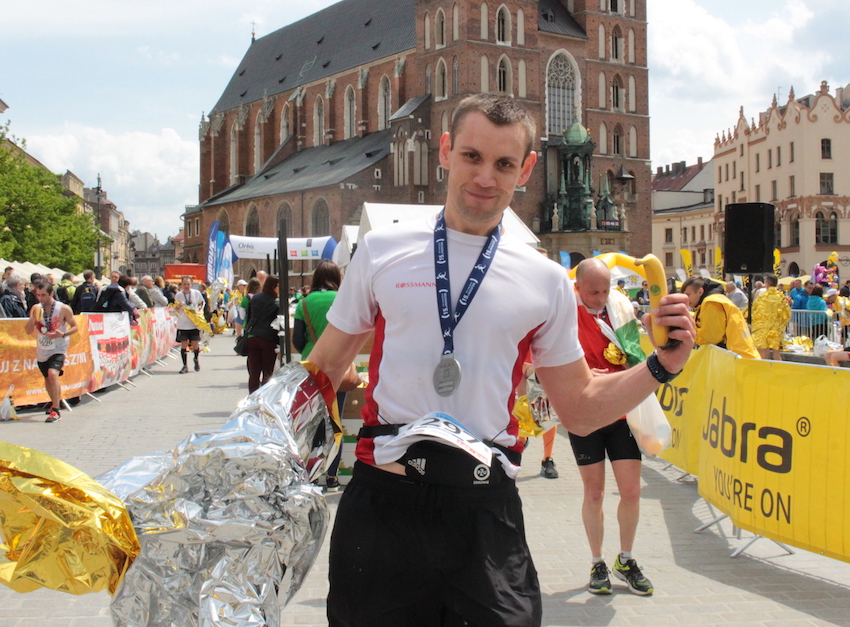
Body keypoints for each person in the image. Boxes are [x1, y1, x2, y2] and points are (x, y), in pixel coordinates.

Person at [307, 94, 695, 626]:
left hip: (484, 510)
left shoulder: (545, 279)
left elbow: (579, 408)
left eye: (504, 164)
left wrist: (661, 366)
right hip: (385, 506)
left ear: (526, 170)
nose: (485, 177)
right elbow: (325, 368)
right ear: (445, 151)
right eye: (472, 156)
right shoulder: (382, 250)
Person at [569, 258, 652, 595]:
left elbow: (636, 358)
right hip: (586, 415)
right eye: (593, 292)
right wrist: (588, 377)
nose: (601, 297)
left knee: (631, 491)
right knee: (594, 493)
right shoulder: (565, 313)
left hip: (621, 413)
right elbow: (553, 362)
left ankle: (626, 559)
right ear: (578, 287)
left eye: (605, 290)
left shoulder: (620, 309)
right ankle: (597, 562)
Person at [293, 260, 347, 489]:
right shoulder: (343, 299)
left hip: (311, 366)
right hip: (339, 365)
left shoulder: (304, 302)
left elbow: (297, 340)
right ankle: (332, 475)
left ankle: (313, 475)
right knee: (335, 421)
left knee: (312, 423)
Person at [24, 282, 78, 422]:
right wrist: (33, 319)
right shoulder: (36, 308)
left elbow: (75, 327)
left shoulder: (63, 308)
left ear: (51, 294)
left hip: (58, 348)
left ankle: (56, 410)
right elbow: (28, 331)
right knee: (47, 378)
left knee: (53, 374)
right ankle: (54, 403)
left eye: (43, 295)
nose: (40, 298)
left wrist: (63, 334)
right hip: (42, 349)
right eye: (38, 295)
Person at [682, 277, 759, 359]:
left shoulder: (711, 303)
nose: (686, 299)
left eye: (688, 294)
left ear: (700, 292)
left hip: (736, 359)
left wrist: (690, 329)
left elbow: (710, 339)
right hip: (740, 356)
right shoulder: (714, 301)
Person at [244, 275, 281, 393]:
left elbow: (249, 317)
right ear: (274, 287)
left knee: (254, 373)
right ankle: (265, 397)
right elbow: (279, 321)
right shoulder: (276, 302)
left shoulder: (255, 298)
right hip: (269, 339)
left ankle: (252, 397)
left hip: (253, 337)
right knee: (267, 372)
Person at [751, 275, 791, 360]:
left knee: (763, 350)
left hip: (762, 328)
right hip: (776, 328)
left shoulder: (762, 296)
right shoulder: (781, 296)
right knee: (776, 352)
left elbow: (755, 311)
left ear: (767, 283)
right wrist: (781, 326)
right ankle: (778, 367)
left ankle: (765, 367)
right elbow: (787, 313)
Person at [173, 276, 205, 374]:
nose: (186, 286)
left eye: (188, 284)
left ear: (191, 284)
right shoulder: (179, 295)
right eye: (184, 284)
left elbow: (201, 302)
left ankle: (196, 359)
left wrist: (198, 309)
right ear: (181, 284)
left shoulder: (196, 293)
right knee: (184, 344)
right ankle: (184, 365)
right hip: (183, 323)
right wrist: (178, 306)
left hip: (194, 323)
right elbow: (175, 308)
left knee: (195, 344)